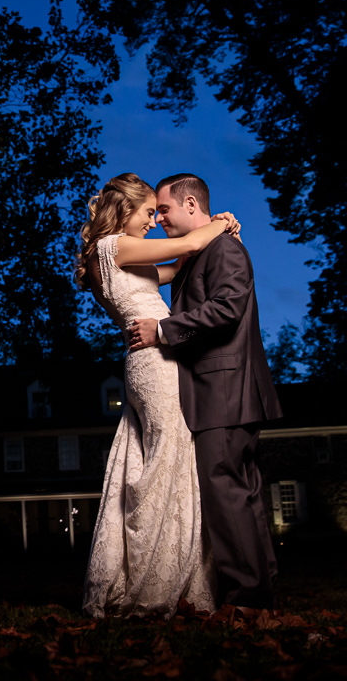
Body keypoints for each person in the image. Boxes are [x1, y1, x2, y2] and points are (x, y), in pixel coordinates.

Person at [76, 172, 239, 618]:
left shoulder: (116, 255)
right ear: (124, 209)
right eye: (149, 212)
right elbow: (185, 248)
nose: (152, 221)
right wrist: (221, 223)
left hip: (149, 360)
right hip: (155, 363)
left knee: (152, 458)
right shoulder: (113, 246)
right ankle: (155, 580)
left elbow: (172, 269)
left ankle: (160, 571)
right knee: (170, 458)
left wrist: (206, 235)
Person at [129, 173, 283, 610]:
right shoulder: (199, 253)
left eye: (164, 210)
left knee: (225, 491)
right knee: (245, 495)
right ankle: (262, 592)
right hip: (225, 391)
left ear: (192, 204)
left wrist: (162, 330)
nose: (158, 219)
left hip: (225, 391)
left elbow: (228, 307)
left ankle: (246, 599)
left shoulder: (225, 248)